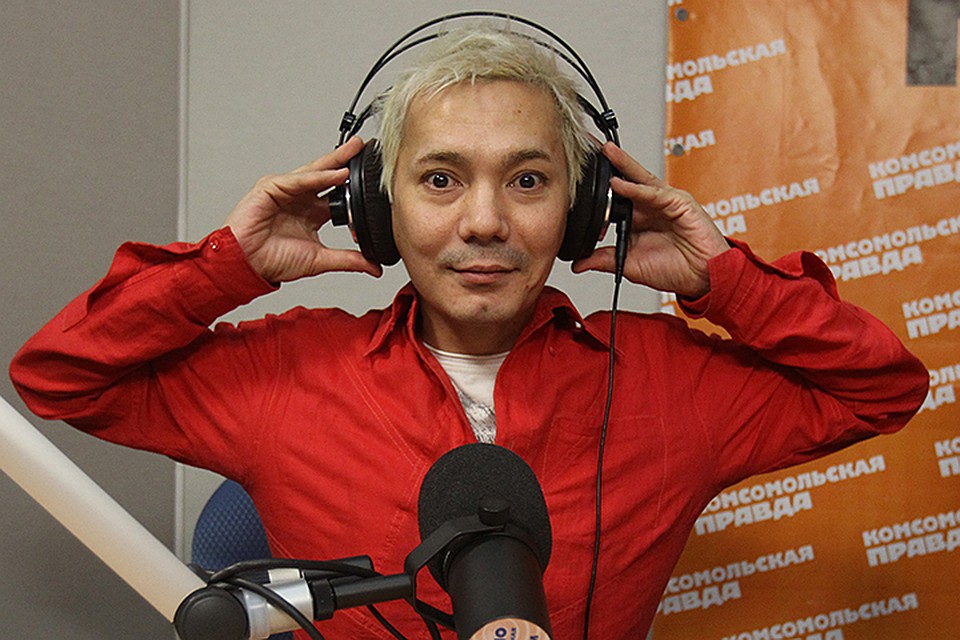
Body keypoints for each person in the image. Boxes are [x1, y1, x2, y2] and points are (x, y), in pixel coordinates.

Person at [9, 24, 927, 640]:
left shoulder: (667, 383)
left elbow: (879, 388)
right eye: (440, 179)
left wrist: (722, 278)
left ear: (585, 209)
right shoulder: (287, 374)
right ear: (378, 208)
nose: (485, 222)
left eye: (528, 181)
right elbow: (61, 377)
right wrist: (230, 264)